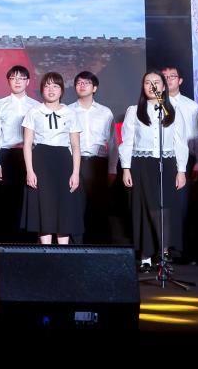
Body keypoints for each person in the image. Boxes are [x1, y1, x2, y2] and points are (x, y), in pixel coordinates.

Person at [118, 71, 188, 271]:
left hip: (167, 163)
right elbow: (127, 141)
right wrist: (126, 168)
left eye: (156, 82)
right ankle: (145, 256)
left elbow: (180, 142)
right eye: (148, 82)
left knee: (164, 208)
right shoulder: (134, 110)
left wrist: (181, 170)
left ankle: (163, 253)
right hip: (142, 164)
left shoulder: (172, 110)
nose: (152, 86)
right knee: (144, 209)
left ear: (164, 87)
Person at [22, 72, 83, 244]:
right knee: (44, 207)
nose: (51, 90)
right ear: (42, 89)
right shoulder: (34, 112)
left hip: (64, 161)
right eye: (47, 86)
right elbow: (27, 144)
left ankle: (63, 253)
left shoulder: (70, 113)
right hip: (40, 160)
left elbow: (76, 146)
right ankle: (46, 252)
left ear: (61, 90)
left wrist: (75, 173)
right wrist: (29, 171)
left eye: (55, 86)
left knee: (64, 207)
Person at [0, 64, 42, 240]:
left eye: (21, 78)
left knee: (30, 201)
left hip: (31, 156)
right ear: (8, 81)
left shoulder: (37, 106)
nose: (17, 81)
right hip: (7, 155)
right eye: (13, 78)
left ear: (28, 82)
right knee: (7, 201)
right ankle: (7, 243)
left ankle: (29, 245)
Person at [68, 70, 118, 243]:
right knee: (75, 206)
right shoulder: (68, 111)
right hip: (75, 163)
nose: (82, 85)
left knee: (98, 206)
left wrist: (112, 168)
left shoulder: (105, 112)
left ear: (94, 88)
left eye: (86, 83)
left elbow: (113, 142)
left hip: (98, 164)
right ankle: (75, 247)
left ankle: (98, 247)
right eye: (79, 83)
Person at [162, 65, 198, 259]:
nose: (168, 79)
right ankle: (162, 248)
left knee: (181, 205)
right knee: (161, 204)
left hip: (185, 159)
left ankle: (179, 248)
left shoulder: (191, 106)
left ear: (180, 80)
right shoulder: (153, 104)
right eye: (164, 76)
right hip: (160, 158)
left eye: (172, 76)